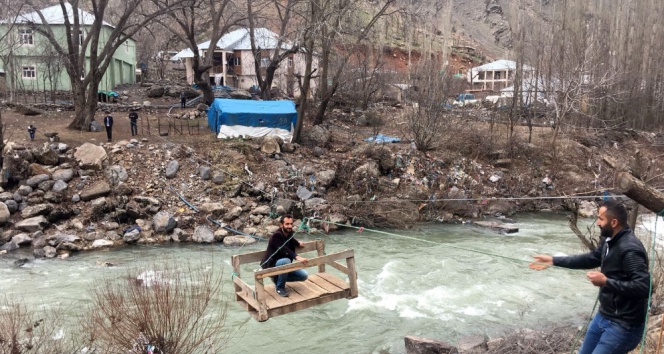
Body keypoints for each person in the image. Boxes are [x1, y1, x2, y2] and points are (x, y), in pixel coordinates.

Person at [530, 200, 650, 354]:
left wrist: (606, 282)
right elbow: (591, 258)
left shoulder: (630, 249)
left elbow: (644, 287)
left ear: (613, 222)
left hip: (624, 325)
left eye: (601, 219)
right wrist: (553, 260)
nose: (597, 223)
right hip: (604, 315)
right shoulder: (609, 241)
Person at [260, 215, 308, 297]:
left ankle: (277, 279)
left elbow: (291, 239)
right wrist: (297, 257)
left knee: (304, 276)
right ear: (281, 225)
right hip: (270, 266)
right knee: (286, 261)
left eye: (291, 224)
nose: (289, 226)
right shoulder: (276, 236)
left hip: (283, 266)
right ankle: (280, 287)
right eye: (287, 224)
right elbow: (283, 249)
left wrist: (298, 243)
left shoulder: (289, 232)